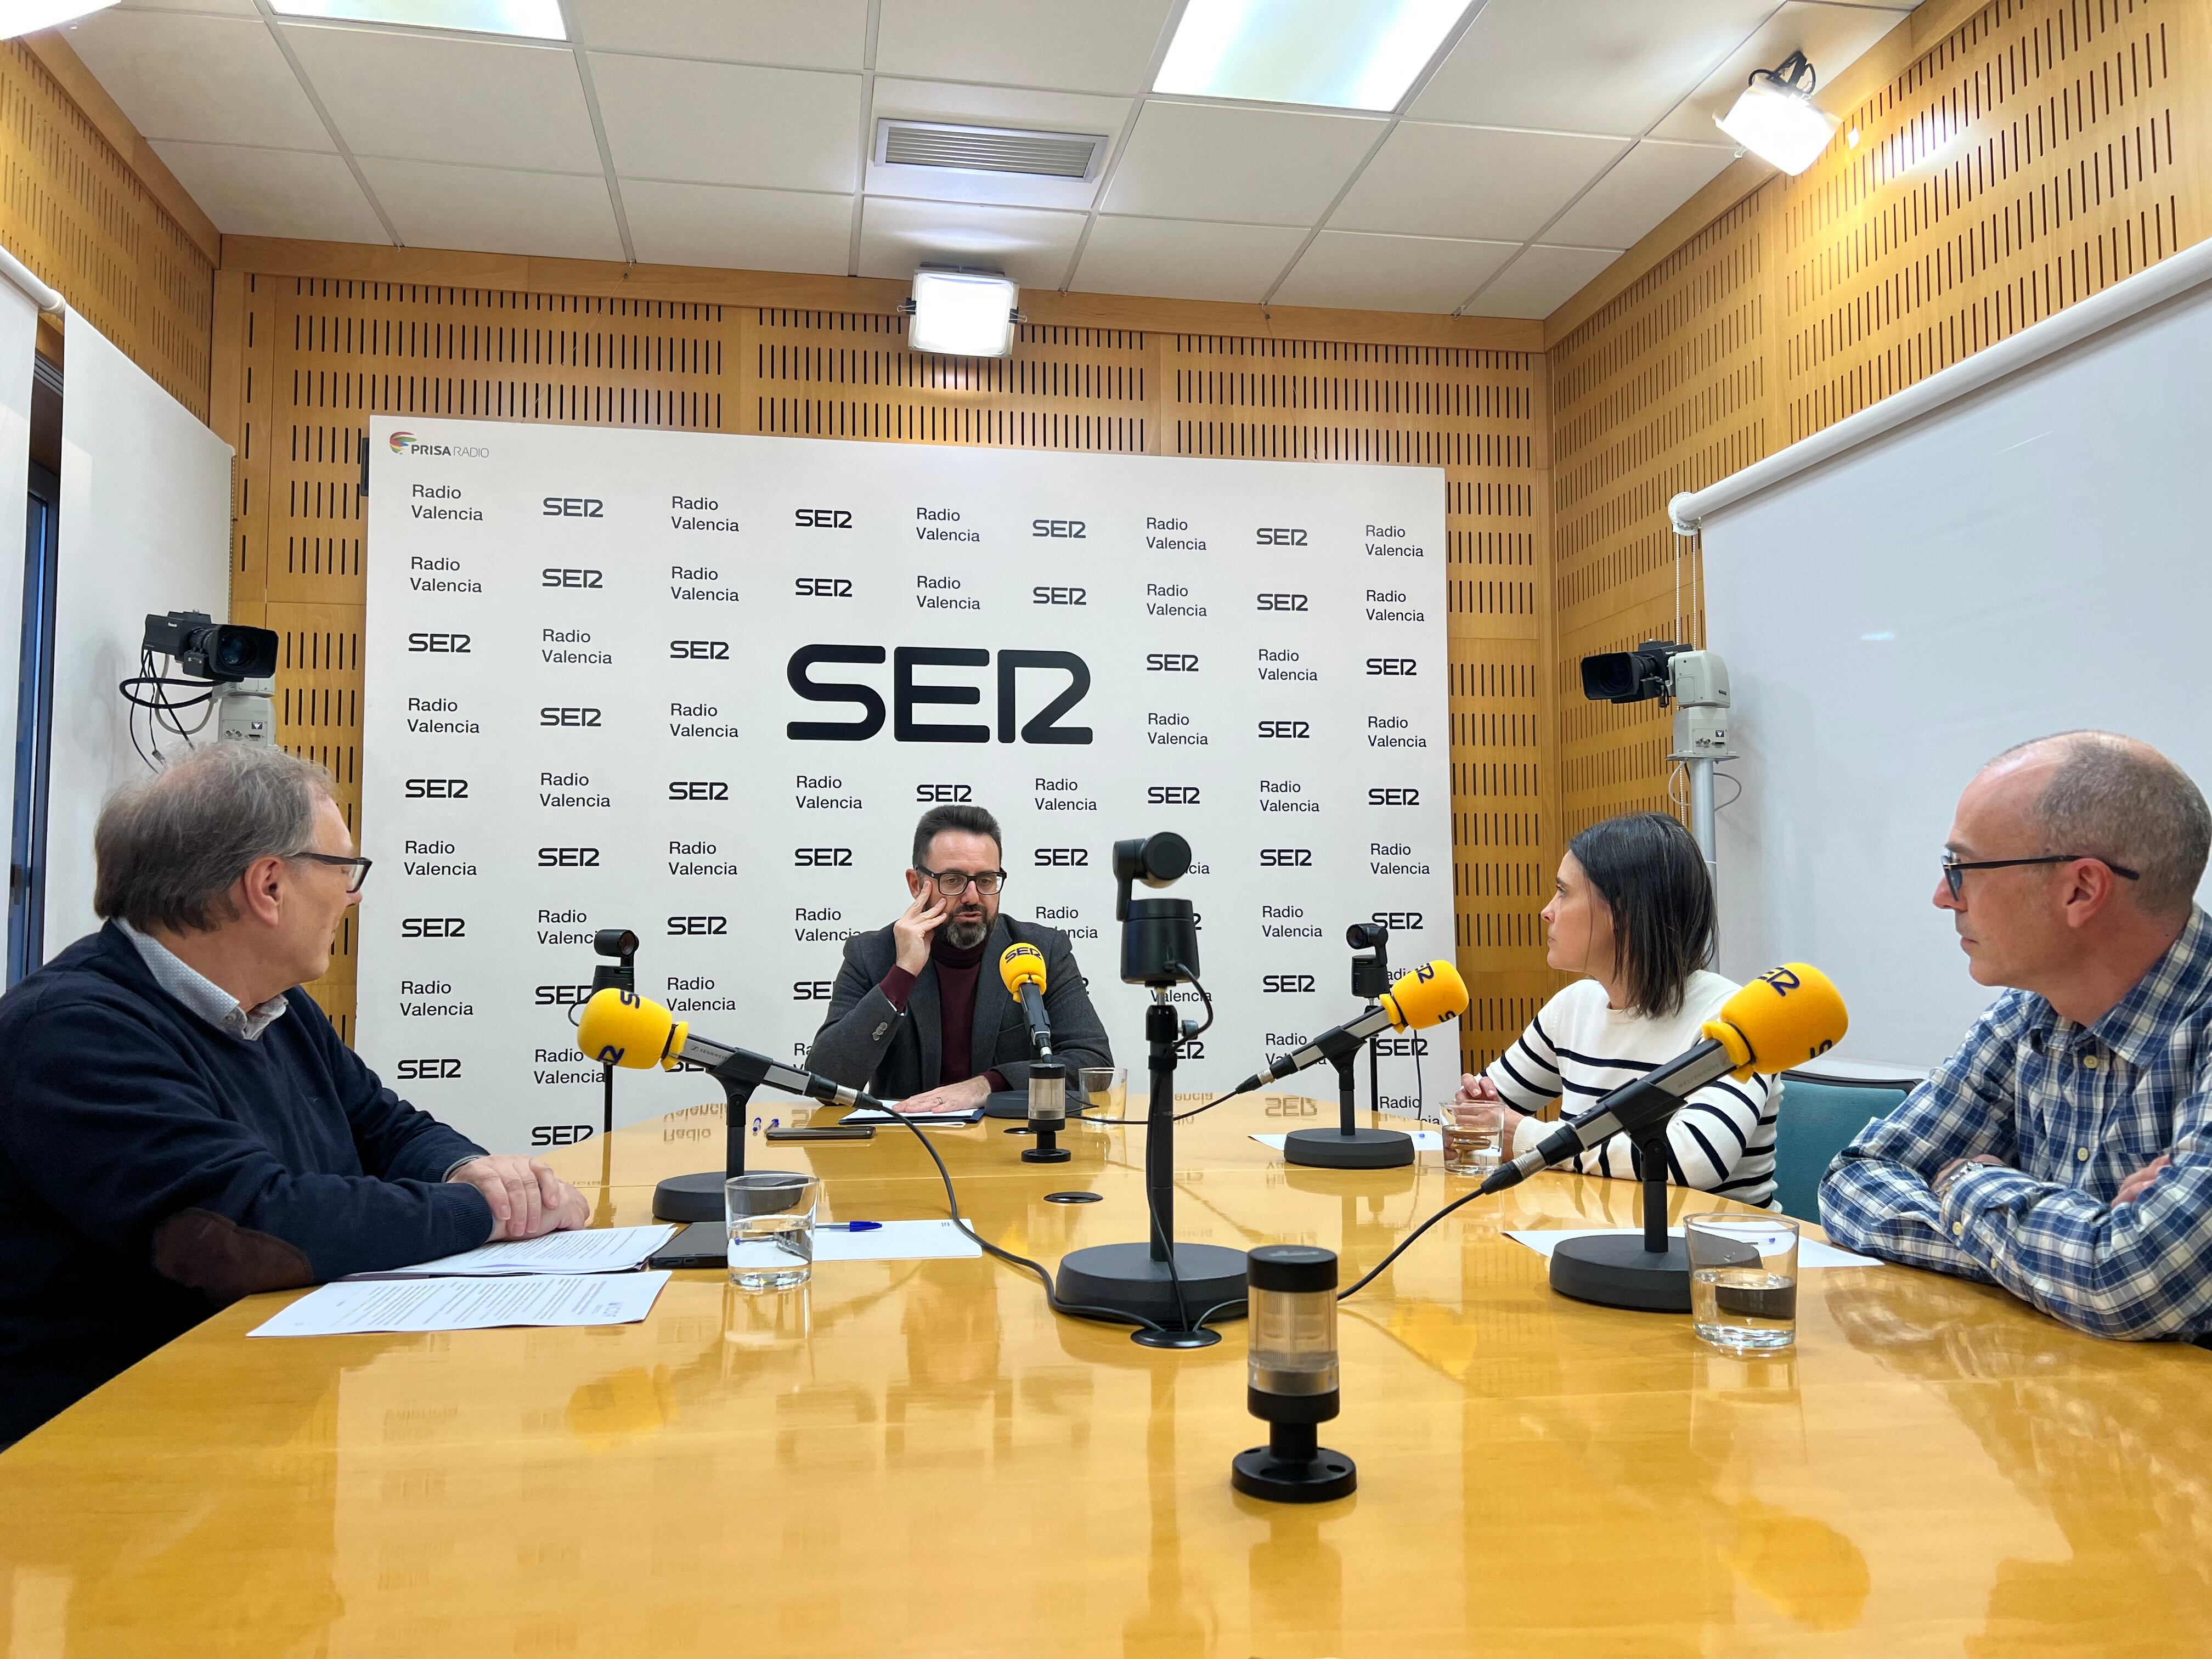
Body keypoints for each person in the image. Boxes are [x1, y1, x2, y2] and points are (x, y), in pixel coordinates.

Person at [0, 744, 586, 1447]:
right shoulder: (72, 1034)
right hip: (101, 1460)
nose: (355, 894)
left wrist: (467, 1169)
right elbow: (247, 1229)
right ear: (269, 886)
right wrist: (485, 1212)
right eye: (344, 869)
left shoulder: (278, 1006)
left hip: (250, 1417)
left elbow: (383, 1126)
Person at [1820, 732, 2212, 1341]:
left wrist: (1964, 1182)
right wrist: (2071, 1244)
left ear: (2081, 890)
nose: (1943, 896)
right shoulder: (2027, 1014)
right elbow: (1855, 1180)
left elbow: (2132, 1283)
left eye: (1962, 868)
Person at [1449, 811, 1780, 1206]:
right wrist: (1478, 1115)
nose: (1547, 911)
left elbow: (1689, 1160)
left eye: (1563, 892)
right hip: (1591, 1242)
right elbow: (1480, 1118)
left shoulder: (1734, 1018)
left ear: (1621, 911)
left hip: (1716, 1258)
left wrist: (1523, 1137)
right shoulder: (1573, 1007)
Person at [808, 803, 1111, 1109]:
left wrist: (987, 1085)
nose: (972, 897)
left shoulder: (1041, 950)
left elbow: (1093, 1063)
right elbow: (826, 1082)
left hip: (1008, 1145)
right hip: (904, 1145)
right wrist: (903, 973)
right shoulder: (872, 955)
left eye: (987, 880)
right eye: (953, 880)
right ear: (916, 884)